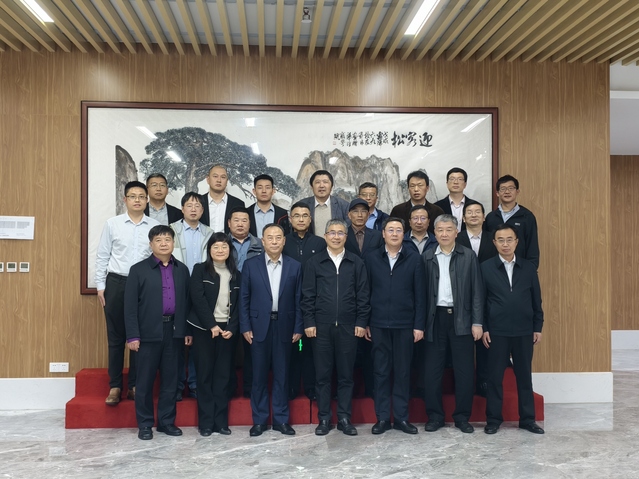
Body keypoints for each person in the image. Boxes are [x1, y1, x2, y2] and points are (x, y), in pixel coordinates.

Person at [302, 219, 371, 436]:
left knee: (346, 375)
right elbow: (307, 295)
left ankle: (344, 418)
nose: (336, 236)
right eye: (331, 232)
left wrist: (361, 322)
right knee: (322, 375)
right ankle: (324, 418)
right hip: (320, 327)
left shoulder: (356, 262)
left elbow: (363, 295)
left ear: (346, 237)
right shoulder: (314, 262)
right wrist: (309, 322)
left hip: (349, 327)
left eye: (340, 233)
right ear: (325, 236)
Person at [95, 180, 160, 406]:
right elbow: (102, 255)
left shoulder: (154, 226)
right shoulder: (112, 224)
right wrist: (100, 286)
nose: (137, 200)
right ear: (125, 199)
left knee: (139, 336)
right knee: (116, 337)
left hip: (144, 285)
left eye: (142, 197)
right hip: (117, 282)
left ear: (147, 200)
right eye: (133, 196)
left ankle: (134, 385)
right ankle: (115, 386)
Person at [124, 225, 192, 440]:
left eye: (167, 239)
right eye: (159, 240)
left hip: (174, 331)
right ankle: (145, 424)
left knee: (171, 381)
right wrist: (133, 335)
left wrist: (186, 330)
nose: (164, 244)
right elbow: (130, 306)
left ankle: (166, 422)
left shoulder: (182, 269)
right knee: (144, 382)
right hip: (147, 333)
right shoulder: (138, 270)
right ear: (151, 244)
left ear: (173, 243)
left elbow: (187, 303)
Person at [240, 224, 303, 437]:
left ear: (284, 241)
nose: (274, 241)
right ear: (263, 241)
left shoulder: (295, 266)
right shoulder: (250, 265)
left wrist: (298, 326)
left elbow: (299, 299)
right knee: (258, 376)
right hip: (258, 327)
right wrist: (245, 326)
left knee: (282, 375)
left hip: (285, 326)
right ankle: (259, 420)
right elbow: (244, 298)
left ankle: (281, 420)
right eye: (270, 237)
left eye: (278, 237)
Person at [422, 215, 483, 434]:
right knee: (432, 371)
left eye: (449, 229)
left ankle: (462, 417)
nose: (444, 234)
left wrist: (477, 322)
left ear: (457, 232)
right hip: (434, 319)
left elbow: (477, 291)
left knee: (464, 371)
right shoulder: (427, 256)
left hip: (462, 318)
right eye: (440, 230)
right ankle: (435, 416)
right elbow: (420, 294)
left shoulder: (468, 256)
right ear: (434, 233)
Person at [364, 217, 426, 435]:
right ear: (383, 234)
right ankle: (382, 418)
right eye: (390, 230)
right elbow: (365, 292)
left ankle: (401, 418)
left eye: (398, 230)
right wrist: (366, 322)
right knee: (380, 371)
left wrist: (419, 325)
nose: (394, 234)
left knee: (402, 372)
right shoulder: (371, 258)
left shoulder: (414, 258)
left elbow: (420, 295)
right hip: (378, 324)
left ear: (403, 234)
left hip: (405, 325)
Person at [482, 225, 544, 435]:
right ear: (494, 243)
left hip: (524, 331)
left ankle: (527, 419)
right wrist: (484, 327)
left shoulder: (528, 268)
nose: (505, 244)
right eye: (501, 240)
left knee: (524, 376)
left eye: (509, 239)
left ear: (517, 242)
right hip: (496, 331)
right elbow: (481, 301)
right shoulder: (486, 268)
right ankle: (493, 420)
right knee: (494, 378)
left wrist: (537, 326)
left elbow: (536, 300)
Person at [188, 233, 241, 437]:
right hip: (204, 330)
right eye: (216, 247)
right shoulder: (199, 270)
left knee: (223, 377)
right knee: (204, 376)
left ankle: (221, 422)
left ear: (230, 250)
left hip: (227, 331)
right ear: (209, 250)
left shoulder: (236, 273)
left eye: (224, 247)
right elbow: (198, 299)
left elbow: (239, 305)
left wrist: (232, 328)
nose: (220, 250)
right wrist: (211, 325)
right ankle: (206, 423)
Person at [170, 192, 214, 401]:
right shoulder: (172, 230)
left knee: (199, 338)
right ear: (182, 209)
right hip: (176, 286)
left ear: (203, 210)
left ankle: (195, 383)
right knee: (177, 339)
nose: (193, 209)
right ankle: (177, 384)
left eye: (197, 206)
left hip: (201, 290)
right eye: (189, 205)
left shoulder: (210, 233)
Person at [282, 201, 327, 401]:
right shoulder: (283, 242)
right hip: (288, 304)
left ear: (310, 219)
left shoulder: (319, 243)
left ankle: (310, 388)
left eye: (305, 216)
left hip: (313, 305)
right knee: (293, 348)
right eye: (297, 216)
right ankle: (291, 387)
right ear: (290, 219)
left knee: (309, 349)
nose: (301, 219)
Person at [455, 200, 497, 397]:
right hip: (461, 295)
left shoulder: (493, 238)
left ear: (484, 217)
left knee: (485, 341)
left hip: (489, 294)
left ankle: (484, 382)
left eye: (477, 212)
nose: (473, 215)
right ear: (463, 218)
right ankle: (463, 386)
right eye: (469, 212)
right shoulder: (457, 238)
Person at [227, 206, 263, 398]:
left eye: (244, 220)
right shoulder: (221, 243)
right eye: (236, 220)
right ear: (229, 223)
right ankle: (230, 388)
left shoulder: (260, 244)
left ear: (250, 223)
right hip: (227, 299)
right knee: (228, 347)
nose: (240, 224)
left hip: (254, 300)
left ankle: (250, 388)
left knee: (252, 347)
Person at [485, 175, 539, 269]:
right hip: (495, 268)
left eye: (511, 188)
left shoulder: (527, 216)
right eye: (503, 189)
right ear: (497, 193)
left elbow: (532, 244)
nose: (507, 192)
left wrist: (531, 268)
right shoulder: (491, 217)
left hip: (520, 267)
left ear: (517, 191)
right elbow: (487, 245)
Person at [390, 170, 444, 234]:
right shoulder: (397, 211)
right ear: (408, 188)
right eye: (412, 186)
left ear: (427, 188)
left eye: (420, 185)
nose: (416, 189)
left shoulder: (437, 211)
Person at [299, 170, 349, 236]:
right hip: (310, 242)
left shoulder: (343, 205)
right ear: (311, 187)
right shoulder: (302, 205)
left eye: (325, 182)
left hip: (336, 242)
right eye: (317, 182)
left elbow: (348, 229)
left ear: (331, 186)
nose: (321, 185)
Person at [199, 165, 245, 233]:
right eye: (215, 176)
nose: (219, 180)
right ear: (208, 180)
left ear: (227, 181)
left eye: (223, 177)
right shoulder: (199, 202)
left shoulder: (238, 204)